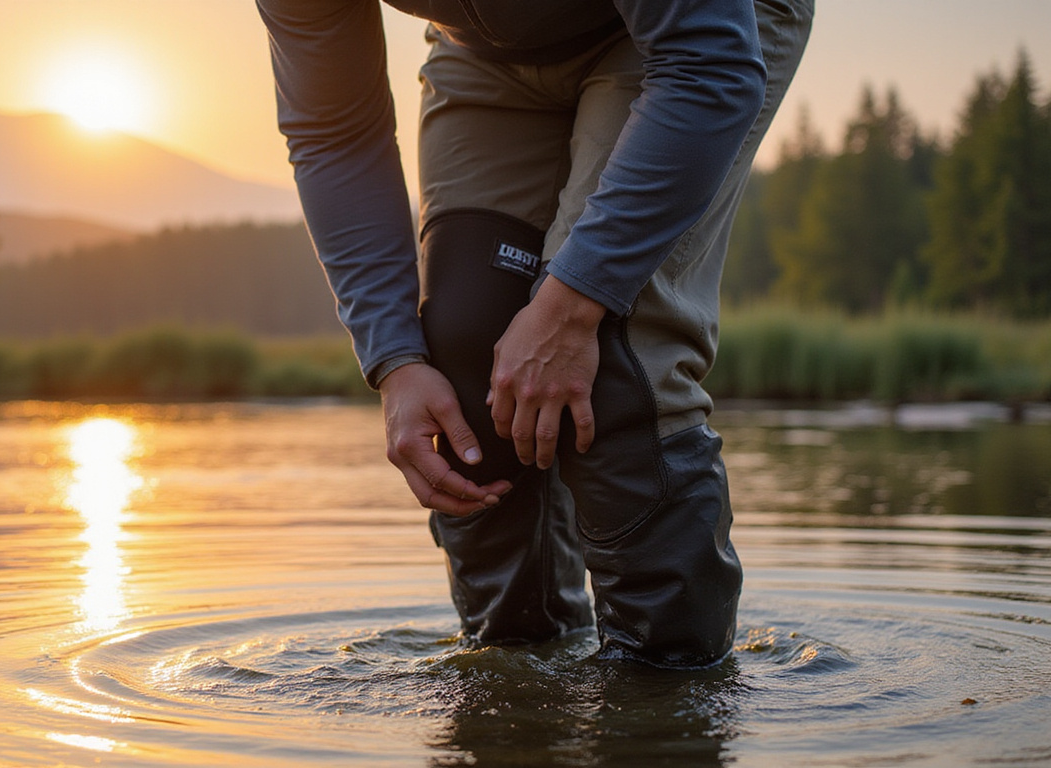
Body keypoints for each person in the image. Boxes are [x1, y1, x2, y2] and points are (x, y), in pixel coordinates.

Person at [256, 0, 813, 667]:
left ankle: (671, 693)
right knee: (466, 366)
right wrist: (394, 360)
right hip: (487, 51)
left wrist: (573, 306)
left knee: (611, 363)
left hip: (698, 39)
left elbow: (708, 63)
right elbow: (333, 133)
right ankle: (517, 678)